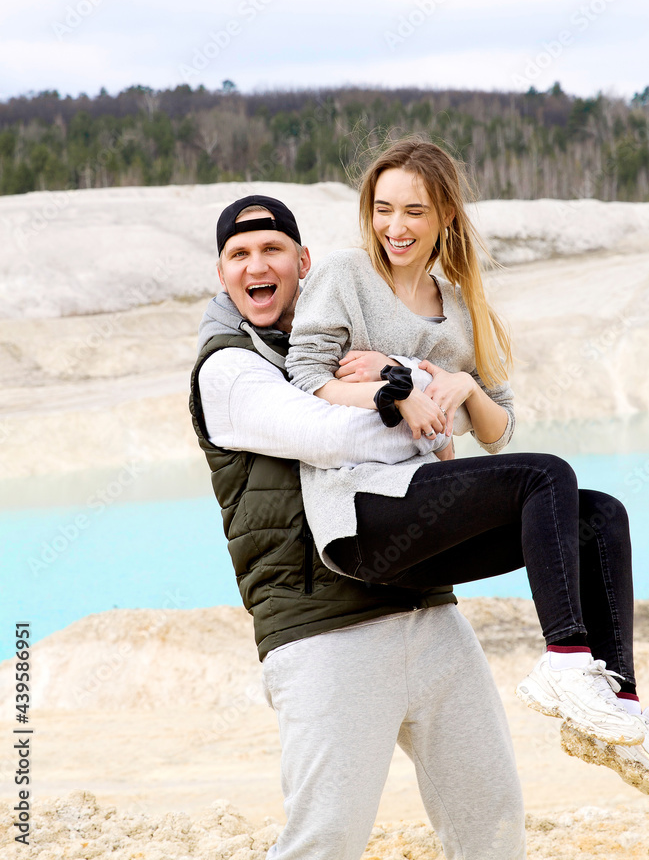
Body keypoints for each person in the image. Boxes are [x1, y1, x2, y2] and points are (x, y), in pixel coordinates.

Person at [285, 137, 649, 799]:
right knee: (544, 474)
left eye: (413, 212)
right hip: (362, 514)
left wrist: (461, 384)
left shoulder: (461, 304)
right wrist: (398, 389)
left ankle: (617, 710)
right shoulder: (346, 276)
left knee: (599, 513)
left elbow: (498, 428)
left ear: (445, 218)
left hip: (424, 522)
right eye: (382, 209)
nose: (394, 227)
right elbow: (305, 379)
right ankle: (565, 659)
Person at [190, 194, 527, 859]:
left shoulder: (343, 343)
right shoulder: (228, 368)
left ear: (302, 263)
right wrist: (417, 402)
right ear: (222, 273)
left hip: (425, 611)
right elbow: (332, 435)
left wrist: (419, 391)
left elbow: (460, 416)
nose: (256, 265)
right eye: (239, 254)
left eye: (271, 249)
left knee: (490, 816)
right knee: (326, 840)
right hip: (324, 630)